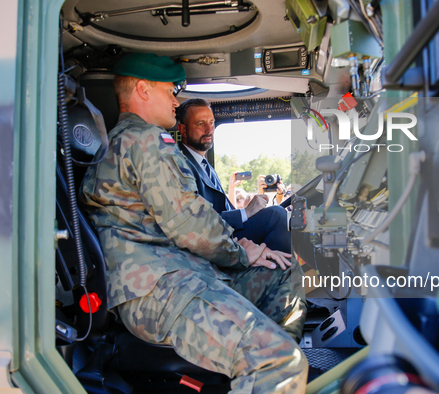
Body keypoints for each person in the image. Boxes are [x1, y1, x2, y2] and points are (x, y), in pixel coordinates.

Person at [80, 53, 307, 394]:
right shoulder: (146, 140)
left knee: (286, 272)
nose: (176, 100)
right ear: (142, 90)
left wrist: (242, 250)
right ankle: (268, 367)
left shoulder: (120, 142)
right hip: (160, 290)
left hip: (175, 278)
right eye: (170, 90)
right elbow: (189, 222)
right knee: (280, 360)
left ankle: (252, 367)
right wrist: (243, 253)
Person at [176, 98, 291, 253]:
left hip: (224, 230)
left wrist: (255, 208)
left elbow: (223, 208)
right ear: (182, 129)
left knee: (278, 212)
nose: (209, 130)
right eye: (200, 124)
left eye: (212, 122)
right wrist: (245, 212)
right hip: (211, 238)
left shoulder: (204, 164)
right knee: (276, 216)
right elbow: (196, 221)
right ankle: (278, 273)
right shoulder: (180, 164)